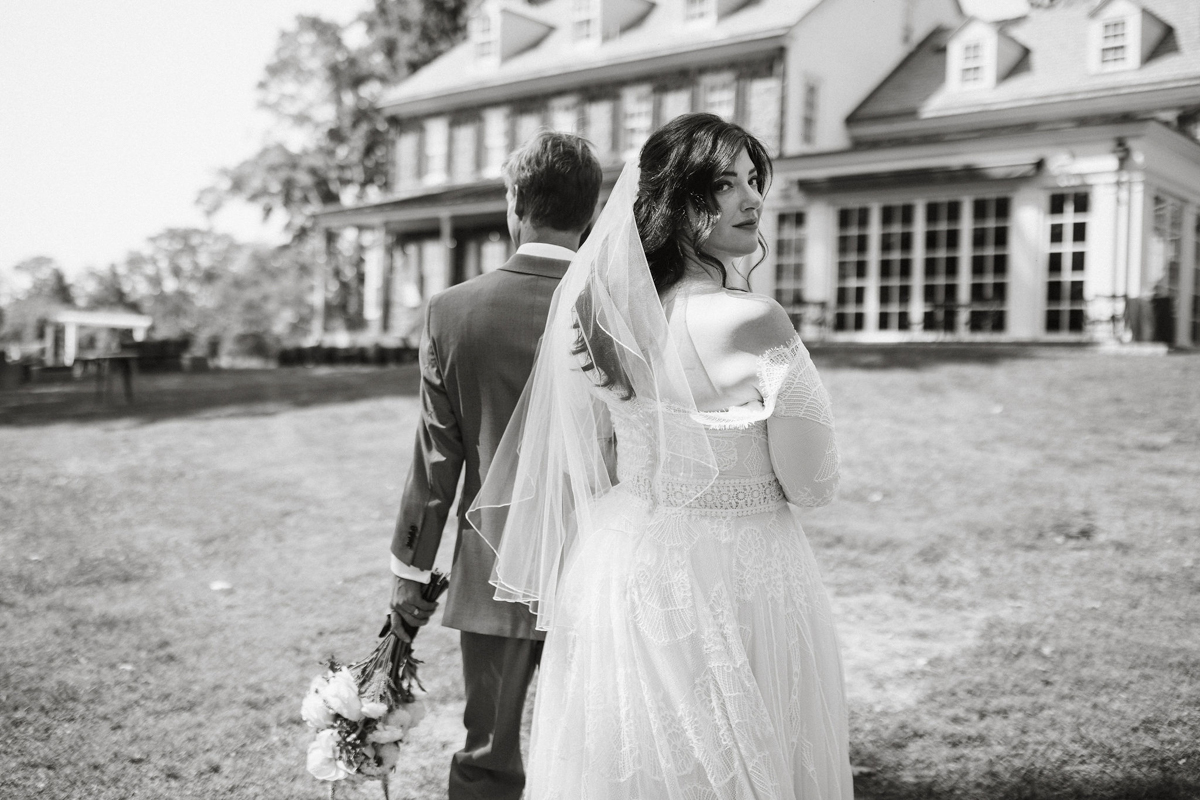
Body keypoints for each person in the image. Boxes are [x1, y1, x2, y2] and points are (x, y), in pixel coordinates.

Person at [470, 113, 853, 799]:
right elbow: (813, 481)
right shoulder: (752, 321)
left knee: (635, 767)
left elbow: (599, 448)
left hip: (625, 565)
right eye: (723, 185)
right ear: (676, 203)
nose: (750, 200)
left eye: (752, 180)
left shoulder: (597, 315)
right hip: (738, 572)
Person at [387, 131, 603, 800]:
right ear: (589, 212)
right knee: (602, 751)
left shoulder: (453, 313)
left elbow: (437, 457)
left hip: (493, 566)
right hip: (605, 563)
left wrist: (410, 570)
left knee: (489, 756)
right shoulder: (621, 307)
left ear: (515, 203)